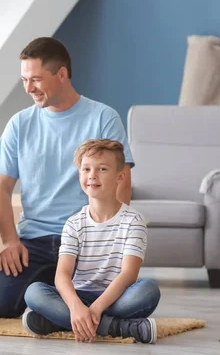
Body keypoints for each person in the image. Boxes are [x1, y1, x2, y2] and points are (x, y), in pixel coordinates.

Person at [0, 37, 135, 320]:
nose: (28, 88)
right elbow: (0, 189)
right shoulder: (19, 124)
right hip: (34, 242)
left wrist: (110, 240)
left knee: (133, 297)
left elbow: (122, 183)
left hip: (87, 238)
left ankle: (54, 311)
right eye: (25, 80)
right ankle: (67, 308)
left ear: (61, 74)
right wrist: (9, 242)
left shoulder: (102, 117)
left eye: (36, 79)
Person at [22, 139, 160, 344]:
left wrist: (95, 309)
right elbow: (62, 275)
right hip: (80, 295)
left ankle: (59, 322)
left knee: (148, 290)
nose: (92, 175)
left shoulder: (134, 221)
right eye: (86, 169)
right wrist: (76, 307)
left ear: (120, 176)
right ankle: (115, 327)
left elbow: (128, 275)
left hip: (116, 298)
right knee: (34, 293)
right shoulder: (73, 223)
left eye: (102, 169)